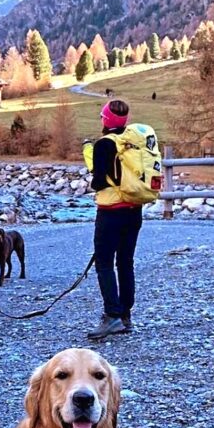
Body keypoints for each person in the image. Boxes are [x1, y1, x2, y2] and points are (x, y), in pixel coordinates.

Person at [88, 99, 141, 340]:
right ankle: (126, 315)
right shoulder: (134, 141)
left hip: (110, 211)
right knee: (126, 262)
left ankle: (112, 315)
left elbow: (99, 181)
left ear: (106, 120)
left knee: (105, 263)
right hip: (134, 209)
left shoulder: (103, 145)